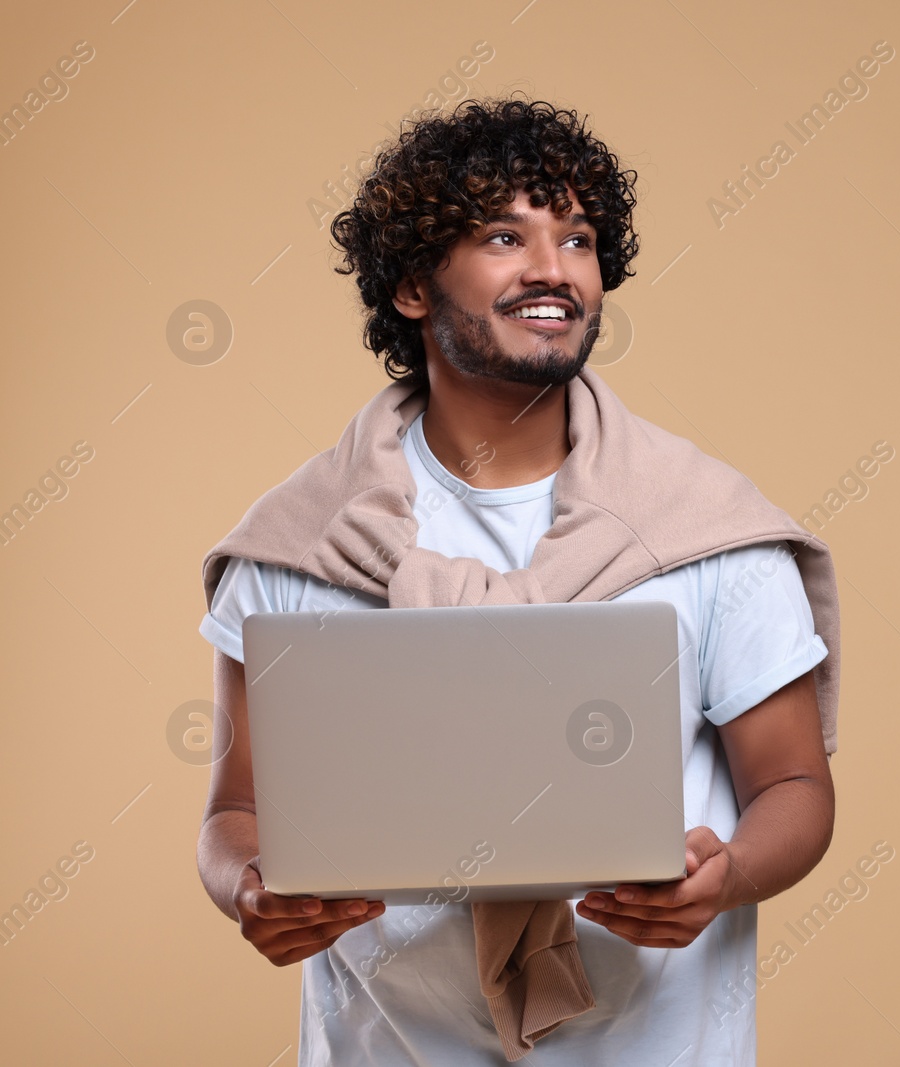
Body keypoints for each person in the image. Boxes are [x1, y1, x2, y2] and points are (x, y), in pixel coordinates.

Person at [194, 96, 836, 1065]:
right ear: (413, 284)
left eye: (577, 239)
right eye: (505, 235)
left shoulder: (702, 529)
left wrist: (730, 871)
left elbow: (793, 782)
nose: (554, 268)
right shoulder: (299, 543)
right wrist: (249, 888)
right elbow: (232, 812)